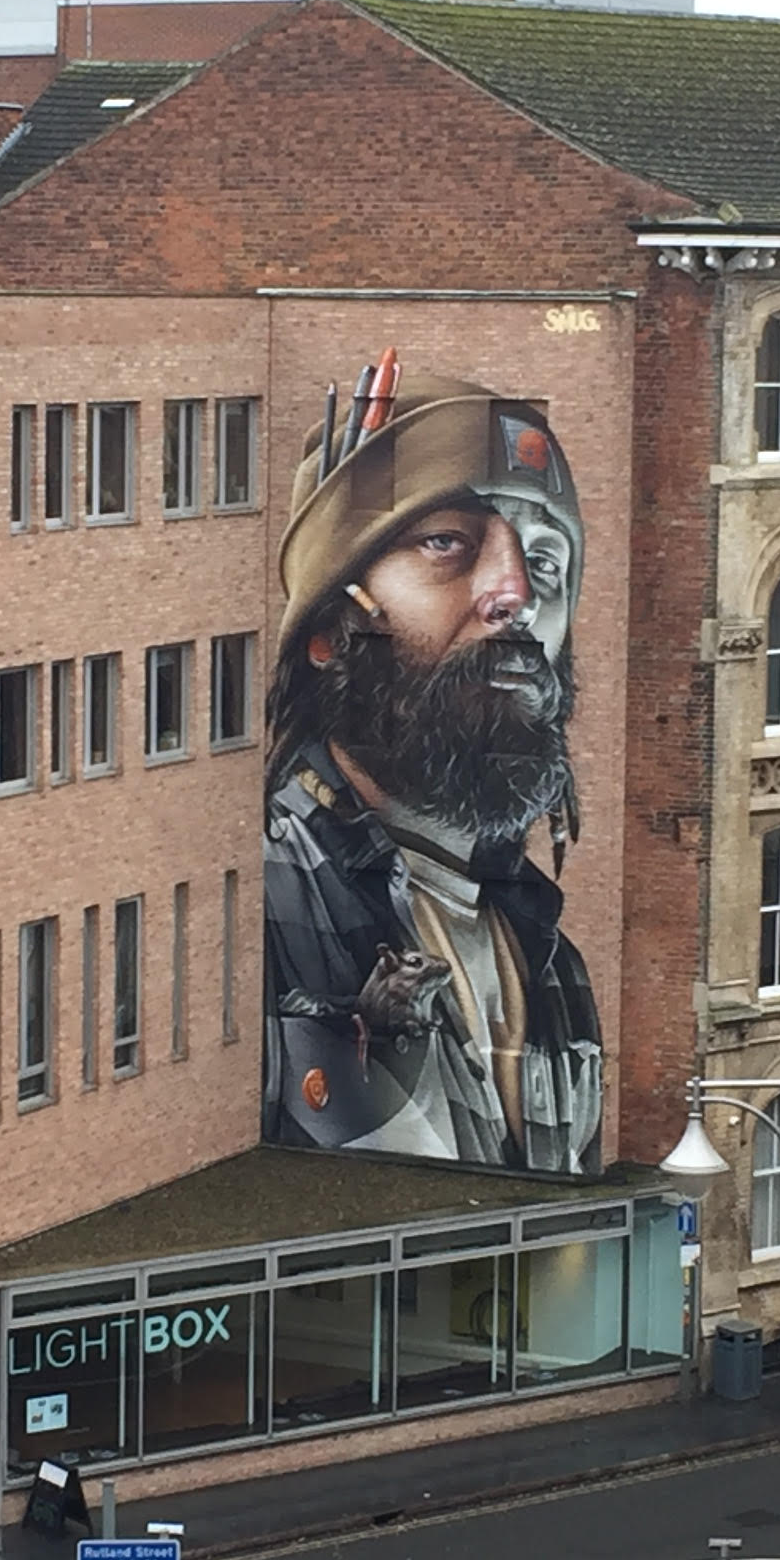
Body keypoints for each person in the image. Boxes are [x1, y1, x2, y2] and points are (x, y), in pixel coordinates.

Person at [263, 371, 602, 1173]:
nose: (513, 594)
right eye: (447, 543)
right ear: (331, 630)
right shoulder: (265, 898)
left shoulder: (550, 956)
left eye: (546, 566)